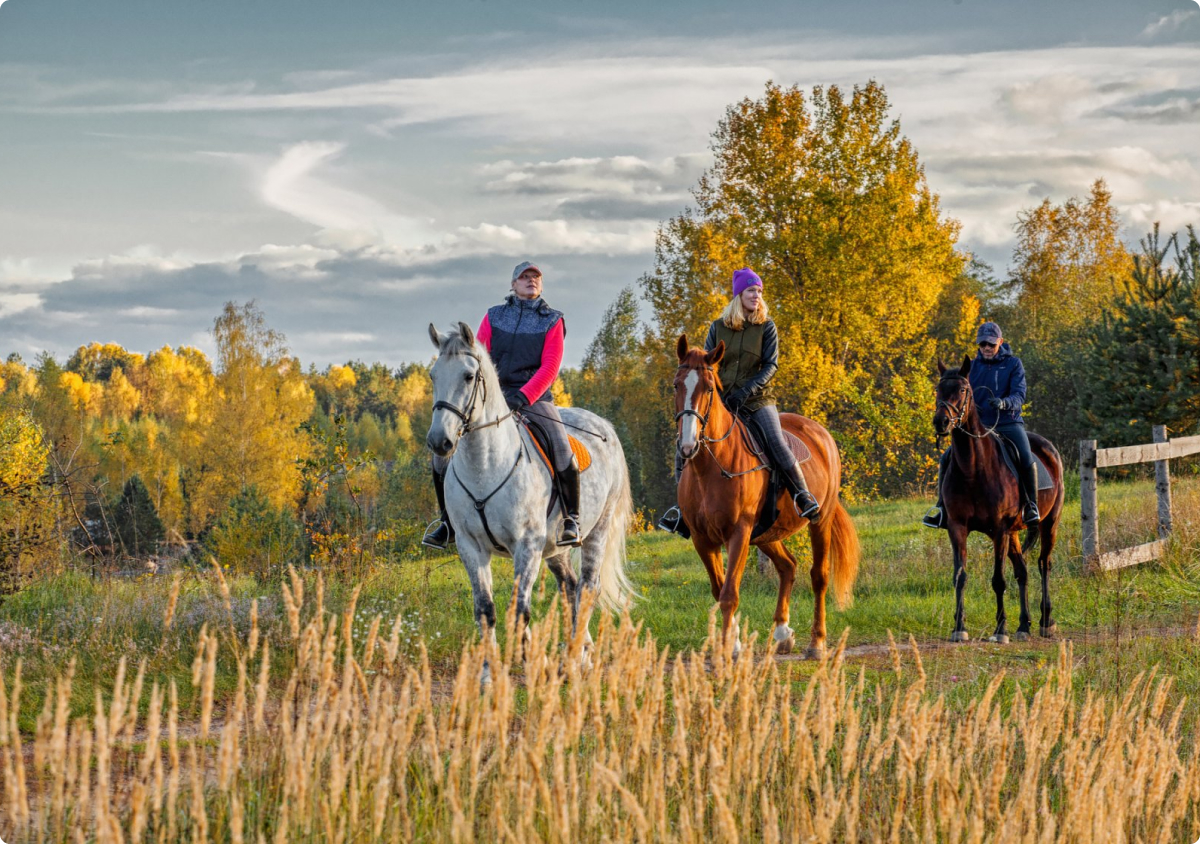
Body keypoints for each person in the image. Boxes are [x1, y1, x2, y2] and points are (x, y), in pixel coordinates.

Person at [422, 261, 582, 550]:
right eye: (524, 276)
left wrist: (523, 396)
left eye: (536, 277)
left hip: (533, 398)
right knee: (439, 458)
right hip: (492, 397)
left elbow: (550, 367)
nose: (531, 280)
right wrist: (490, 397)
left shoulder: (553, 320)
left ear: (541, 285)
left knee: (561, 448)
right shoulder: (494, 316)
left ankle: (572, 518)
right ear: (513, 284)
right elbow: (479, 357)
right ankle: (447, 522)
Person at [658, 267, 820, 538]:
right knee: (685, 443)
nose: (756, 296)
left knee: (776, 443)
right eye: (751, 291)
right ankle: (681, 511)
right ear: (738, 295)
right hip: (721, 401)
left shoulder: (766, 327)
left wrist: (745, 391)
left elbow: (771, 365)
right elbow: (707, 365)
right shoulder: (718, 327)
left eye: (759, 291)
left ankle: (803, 496)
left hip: (757, 400)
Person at [922, 321, 1041, 529]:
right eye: (983, 344)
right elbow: (961, 395)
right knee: (946, 458)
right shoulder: (972, 367)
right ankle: (941, 508)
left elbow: (1019, 394)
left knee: (1025, 456)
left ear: (1000, 343)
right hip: (979, 426)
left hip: (1007, 422)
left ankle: (1031, 505)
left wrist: (1005, 403)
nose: (986, 347)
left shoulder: (1013, 364)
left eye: (991, 344)